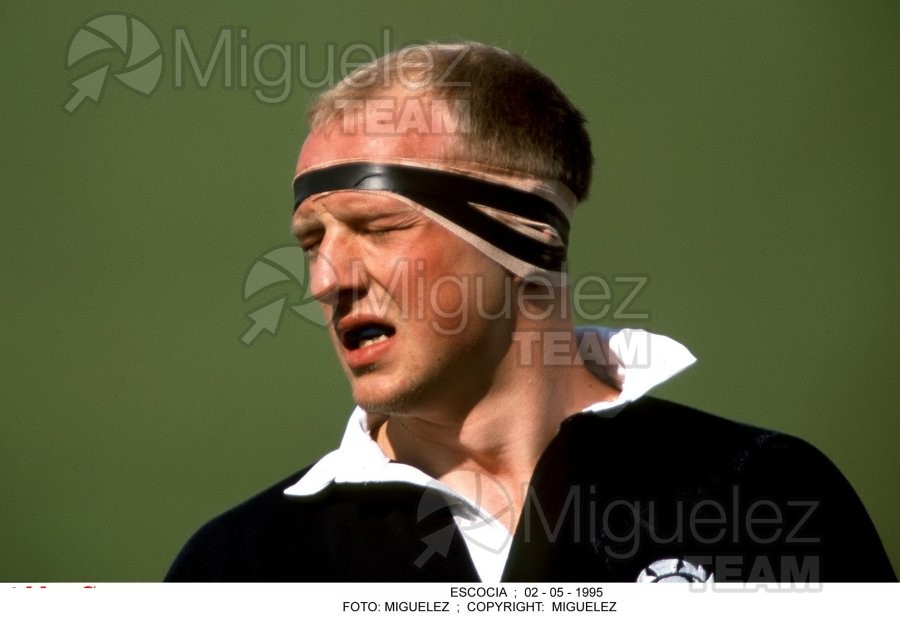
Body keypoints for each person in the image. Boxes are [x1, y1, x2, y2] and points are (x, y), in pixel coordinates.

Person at [166, 42, 895, 583]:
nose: (326, 279)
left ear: (528, 229)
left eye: (380, 228)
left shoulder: (766, 495)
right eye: (311, 243)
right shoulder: (242, 568)